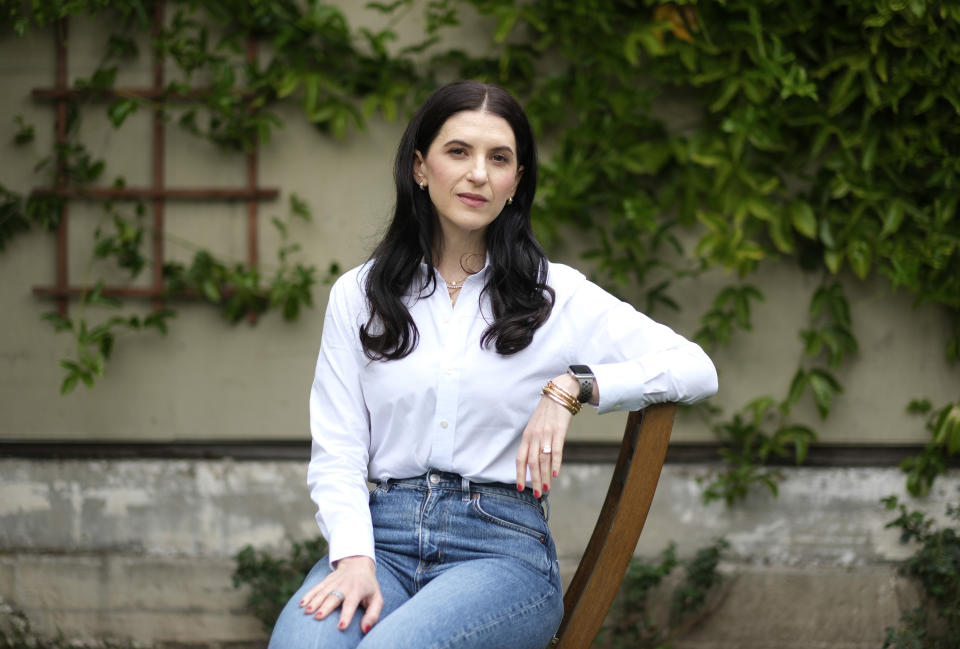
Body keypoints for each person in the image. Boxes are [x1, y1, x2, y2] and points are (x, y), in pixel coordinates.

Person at [267, 80, 717, 649]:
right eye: (458, 151)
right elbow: (338, 449)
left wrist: (573, 387)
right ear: (420, 167)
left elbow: (696, 367)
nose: (478, 173)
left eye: (499, 158)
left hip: (499, 551)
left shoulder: (555, 294)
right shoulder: (359, 295)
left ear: (516, 182)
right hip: (380, 541)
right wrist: (353, 558)